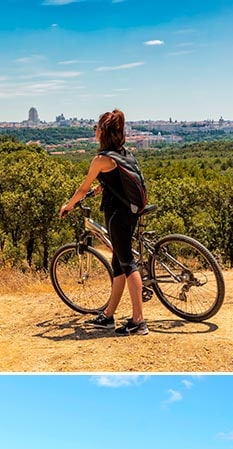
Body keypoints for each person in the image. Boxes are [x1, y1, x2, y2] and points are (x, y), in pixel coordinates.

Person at [59, 109, 148, 335]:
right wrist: (103, 187)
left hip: (118, 216)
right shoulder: (122, 153)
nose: (95, 131)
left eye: (96, 128)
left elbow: (82, 187)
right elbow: (115, 181)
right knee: (118, 264)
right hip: (129, 213)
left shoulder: (101, 159)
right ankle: (108, 316)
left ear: (103, 132)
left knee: (128, 264)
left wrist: (68, 206)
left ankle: (138, 321)